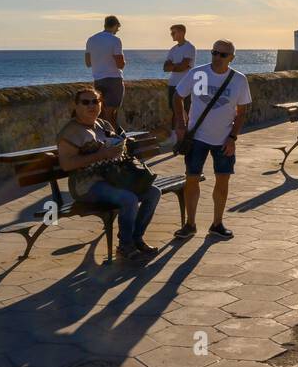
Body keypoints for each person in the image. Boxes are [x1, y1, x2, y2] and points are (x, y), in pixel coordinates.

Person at [57, 87, 161, 262]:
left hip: (114, 177)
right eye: (85, 102)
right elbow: (66, 165)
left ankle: (136, 238)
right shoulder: (70, 132)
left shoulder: (103, 125)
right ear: (75, 106)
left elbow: (117, 150)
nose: (91, 106)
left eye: (95, 101)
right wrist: (101, 155)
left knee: (153, 192)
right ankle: (125, 246)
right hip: (87, 185)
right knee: (128, 199)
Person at [173, 39, 252, 241]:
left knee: (222, 180)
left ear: (231, 58)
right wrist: (181, 125)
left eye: (223, 55)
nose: (217, 57)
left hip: (223, 139)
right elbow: (177, 96)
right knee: (192, 179)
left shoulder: (238, 80)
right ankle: (190, 224)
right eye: (214, 53)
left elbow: (242, 112)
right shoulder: (198, 73)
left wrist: (233, 137)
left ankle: (217, 223)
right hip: (196, 137)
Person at [84, 15, 126, 129]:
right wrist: (123, 62)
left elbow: (88, 63)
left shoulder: (91, 39)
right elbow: (120, 64)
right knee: (111, 113)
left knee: (102, 113)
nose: (117, 30)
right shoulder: (115, 40)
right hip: (114, 80)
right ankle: (113, 141)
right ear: (115, 25)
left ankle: (106, 138)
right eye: (118, 28)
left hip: (98, 80)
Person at [163, 23, 196, 136]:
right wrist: (177, 66)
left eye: (174, 32)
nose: (171, 35)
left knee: (185, 110)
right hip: (173, 83)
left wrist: (174, 66)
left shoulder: (189, 48)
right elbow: (165, 67)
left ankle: (186, 135)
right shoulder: (173, 49)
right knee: (174, 111)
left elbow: (183, 67)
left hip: (185, 83)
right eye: (171, 32)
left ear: (181, 33)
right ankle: (174, 136)